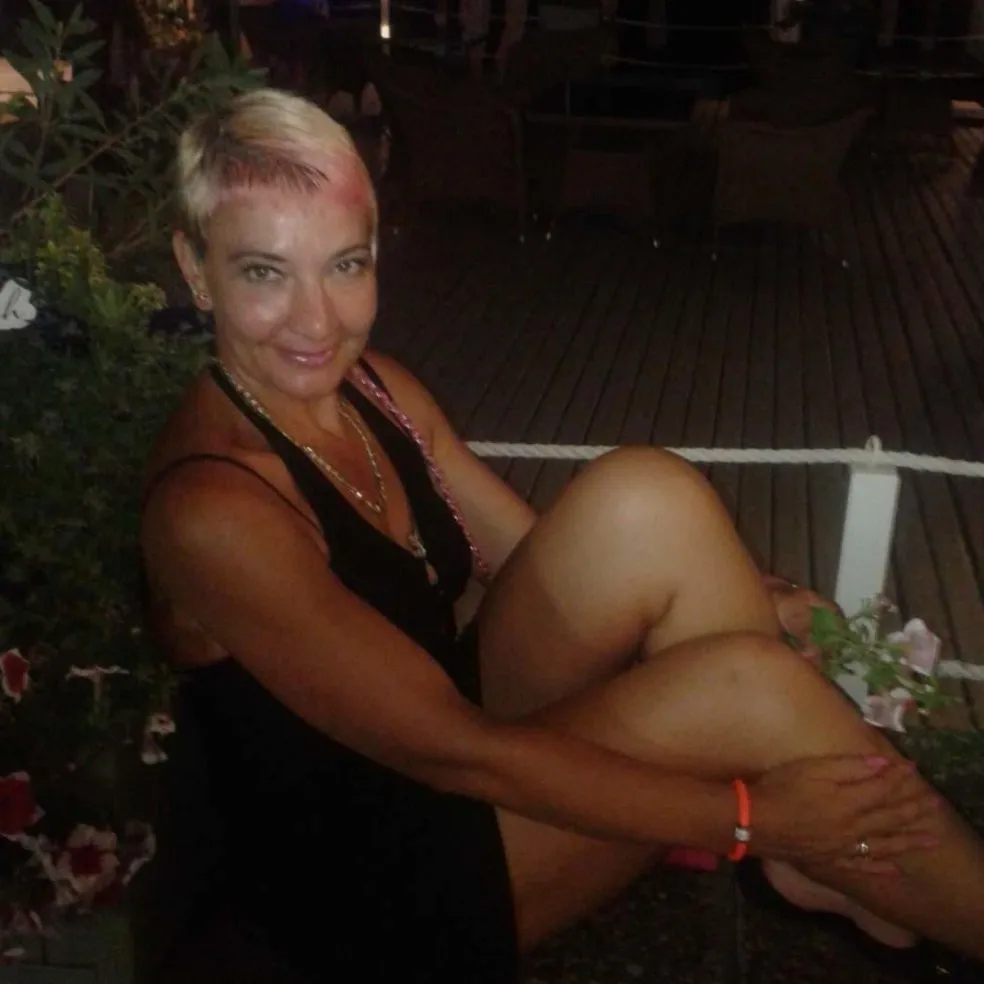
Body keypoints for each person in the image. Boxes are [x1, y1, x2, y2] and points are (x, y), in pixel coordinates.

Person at [140, 87, 984, 983]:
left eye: (345, 265)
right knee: (752, 691)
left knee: (648, 499)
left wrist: (759, 596)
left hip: (448, 742)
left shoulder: (375, 388)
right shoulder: (212, 513)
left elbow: (540, 559)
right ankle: (830, 855)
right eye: (264, 273)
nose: (317, 321)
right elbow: (453, 751)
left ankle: (827, 858)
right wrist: (758, 817)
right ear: (196, 268)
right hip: (356, 884)